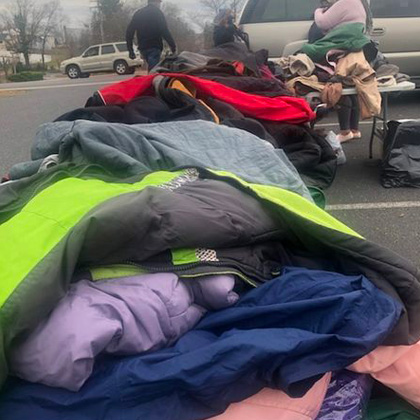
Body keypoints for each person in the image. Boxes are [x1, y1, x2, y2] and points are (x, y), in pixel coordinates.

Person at [314, 0, 373, 143]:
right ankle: (354, 129)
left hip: (342, 49)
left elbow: (323, 22)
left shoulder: (345, 2)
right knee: (352, 88)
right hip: (356, 49)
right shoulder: (360, 3)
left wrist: (318, 11)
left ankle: (345, 131)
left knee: (341, 87)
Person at [126, 0, 176, 72]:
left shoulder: (138, 13)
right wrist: (173, 46)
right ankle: (151, 80)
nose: (160, 5)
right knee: (153, 71)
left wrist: (130, 50)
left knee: (152, 68)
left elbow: (129, 32)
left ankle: (151, 78)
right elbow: (164, 31)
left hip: (143, 48)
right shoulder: (157, 13)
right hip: (154, 46)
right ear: (156, 2)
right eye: (159, 3)